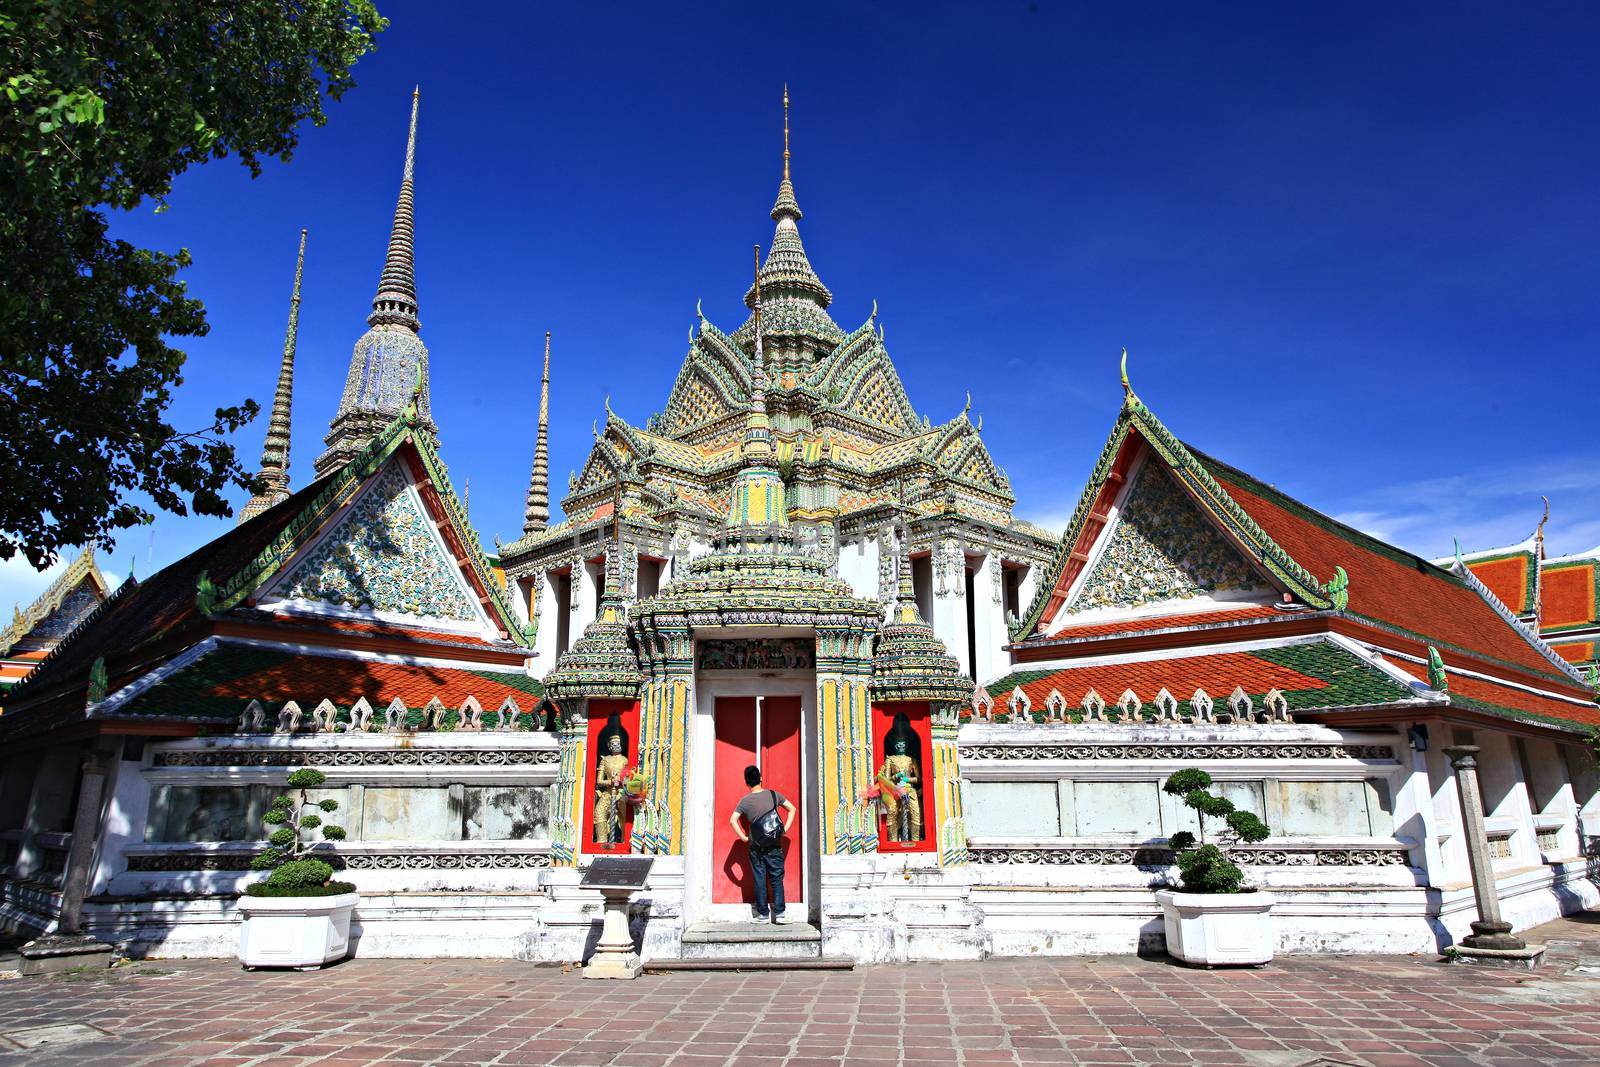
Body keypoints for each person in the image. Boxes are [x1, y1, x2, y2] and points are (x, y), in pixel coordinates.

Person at [730, 764, 796, 923]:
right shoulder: (774, 795)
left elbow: (733, 821)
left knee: (759, 879)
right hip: (774, 844)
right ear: (760, 778)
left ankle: (763, 916)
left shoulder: (744, 802)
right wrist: (784, 829)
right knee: (777, 878)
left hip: (756, 846)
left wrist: (744, 838)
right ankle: (780, 915)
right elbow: (792, 809)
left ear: (746, 782)